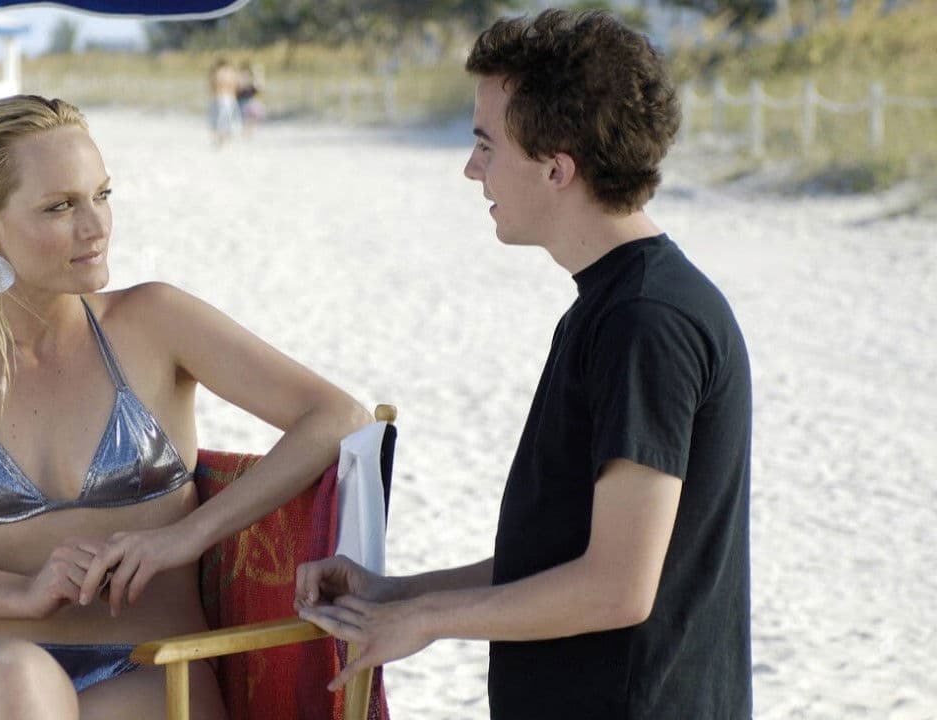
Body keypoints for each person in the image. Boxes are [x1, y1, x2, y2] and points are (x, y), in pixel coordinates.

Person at [295, 10, 752, 719]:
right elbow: (559, 558)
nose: (471, 168)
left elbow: (616, 588)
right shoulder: (616, 305)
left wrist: (429, 620)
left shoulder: (645, 322)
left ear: (556, 168)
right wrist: (397, 595)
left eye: (486, 144)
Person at [0, 94, 370, 720]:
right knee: (17, 681)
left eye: (101, 195)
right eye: (60, 206)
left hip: (151, 668)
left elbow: (338, 416)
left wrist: (184, 537)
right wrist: (23, 594)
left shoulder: (154, 321)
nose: (95, 226)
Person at [207, 58, 241, 147]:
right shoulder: (229, 72)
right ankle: (222, 138)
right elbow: (235, 85)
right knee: (225, 120)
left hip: (219, 97)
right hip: (227, 98)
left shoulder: (217, 72)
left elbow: (213, 85)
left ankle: (220, 138)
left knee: (219, 120)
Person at [235, 61, 265, 138]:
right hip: (241, 102)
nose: (245, 76)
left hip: (249, 102)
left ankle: (249, 131)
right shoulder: (239, 80)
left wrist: (258, 74)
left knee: (251, 115)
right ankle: (245, 131)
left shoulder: (252, 81)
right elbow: (237, 91)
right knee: (244, 117)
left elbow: (260, 89)